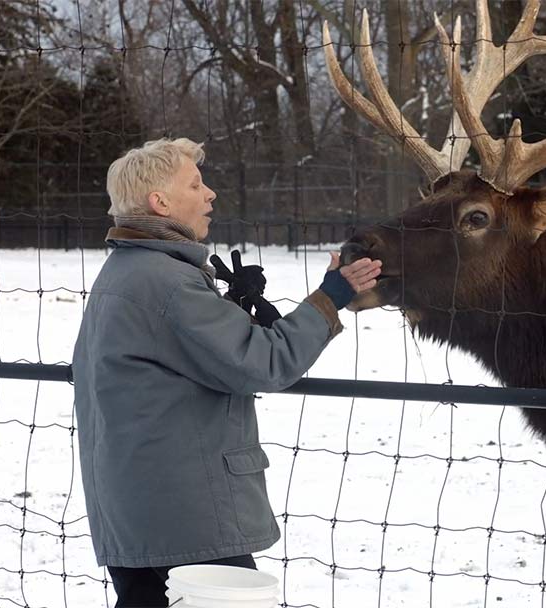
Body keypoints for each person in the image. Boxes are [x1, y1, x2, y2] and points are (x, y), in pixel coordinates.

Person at [72, 137, 381, 607]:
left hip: (137, 508)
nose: (209, 194)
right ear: (161, 202)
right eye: (195, 184)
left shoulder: (123, 272)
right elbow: (266, 363)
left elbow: (179, 358)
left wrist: (232, 312)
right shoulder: (168, 282)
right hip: (184, 517)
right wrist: (330, 297)